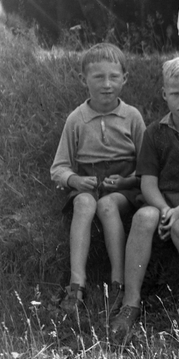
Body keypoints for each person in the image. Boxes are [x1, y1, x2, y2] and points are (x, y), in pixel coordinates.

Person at [110, 57, 179, 342]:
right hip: (161, 201)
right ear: (164, 94)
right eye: (175, 94)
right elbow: (148, 182)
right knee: (143, 216)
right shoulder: (154, 133)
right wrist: (163, 208)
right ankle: (130, 303)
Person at [49, 43, 146, 319]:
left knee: (107, 206)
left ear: (124, 78)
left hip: (122, 188)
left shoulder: (132, 117)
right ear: (84, 80)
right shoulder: (77, 119)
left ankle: (118, 281)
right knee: (84, 204)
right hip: (88, 183)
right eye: (98, 77)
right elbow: (59, 167)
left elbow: (147, 167)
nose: (106, 85)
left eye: (113, 77)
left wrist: (126, 181)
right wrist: (75, 180)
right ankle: (76, 284)